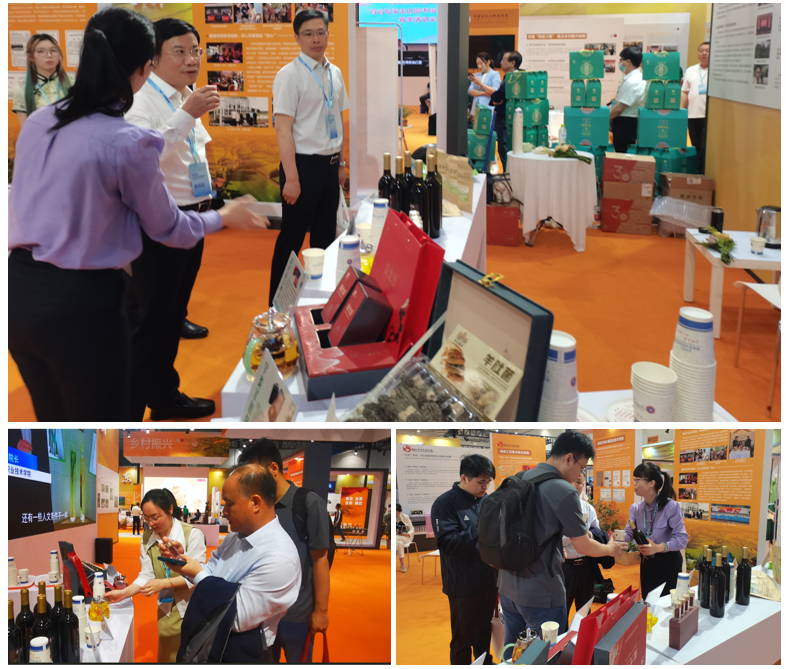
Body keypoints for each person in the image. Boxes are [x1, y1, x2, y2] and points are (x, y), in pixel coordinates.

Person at [8, 7, 266, 421]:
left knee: (57, 423)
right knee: (105, 421)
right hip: (82, 299)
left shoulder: (40, 122)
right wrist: (225, 216)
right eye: (178, 51)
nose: (190, 59)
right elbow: (168, 228)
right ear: (147, 66)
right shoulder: (128, 139)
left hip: (20, 291)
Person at [498, 432, 625, 660]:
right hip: (540, 593)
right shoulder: (563, 490)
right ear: (568, 458)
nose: (579, 475)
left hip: (507, 587)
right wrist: (610, 549)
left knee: (512, 657)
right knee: (547, 657)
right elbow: (583, 545)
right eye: (582, 467)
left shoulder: (520, 478)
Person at [161, 465, 301, 662]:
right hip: (210, 640)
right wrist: (185, 564)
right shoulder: (235, 536)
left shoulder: (280, 558)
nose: (224, 511)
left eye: (229, 503)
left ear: (255, 503)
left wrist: (198, 574)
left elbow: (236, 618)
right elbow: (212, 569)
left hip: (243, 653)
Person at [269, 8, 350, 306]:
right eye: (308, 34)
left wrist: (340, 163)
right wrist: (291, 178)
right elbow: (283, 129)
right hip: (301, 168)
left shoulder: (335, 72)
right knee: (291, 240)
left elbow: (339, 120)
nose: (316, 39)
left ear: (327, 34)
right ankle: (277, 308)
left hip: (329, 167)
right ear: (297, 38)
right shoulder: (289, 76)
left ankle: (322, 302)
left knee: (325, 237)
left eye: (320, 32)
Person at [238, 440, 331, 663]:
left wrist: (321, 611)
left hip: (296, 615)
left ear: (273, 468)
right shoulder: (258, 506)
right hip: (261, 613)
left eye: (253, 475)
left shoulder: (308, 504)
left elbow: (320, 560)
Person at [106, 489, 207, 662]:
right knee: (167, 654)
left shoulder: (192, 535)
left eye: (155, 517)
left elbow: (199, 575)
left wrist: (165, 583)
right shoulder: (147, 538)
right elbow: (146, 573)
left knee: (190, 654)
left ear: (170, 509)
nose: (151, 523)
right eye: (146, 518)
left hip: (190, 605)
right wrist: (124, 593)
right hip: (166, 606)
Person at [430, 454, 498, 665]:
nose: (485, 487)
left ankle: (485, 663)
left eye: (488, 482)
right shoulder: (445, 503)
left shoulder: (487, 500)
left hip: (489, 580)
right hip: (462, 585)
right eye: (481, 482)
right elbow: (447, 544)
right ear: (464, 478)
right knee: (463, 639)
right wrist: (480, 528)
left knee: (484, 633)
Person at [626, 462, 688, 601]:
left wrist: (658, 547)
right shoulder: (636, 508)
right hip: (647, 562)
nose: (634, 483)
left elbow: (682, 538)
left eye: (637, 479)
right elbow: (628, 533)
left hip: (668, 561)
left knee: (667, 602)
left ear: (651, 483)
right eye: (634, 479)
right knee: (649, 601)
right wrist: (617, 539)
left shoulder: (671, 507)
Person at [560, 470, 599, 625]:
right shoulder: (557, 509)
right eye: (570, 481)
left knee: (585, 611)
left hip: (586, 567)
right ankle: (562, 640)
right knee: (562, 610)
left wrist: (588, 535)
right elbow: (554, 540)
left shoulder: (588, 509)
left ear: (583, 485)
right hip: (564, 567)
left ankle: (583, 639)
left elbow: (597, 533)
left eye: (578, 482)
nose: (574, 486)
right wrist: (575, 535)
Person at [12, 34, 72, 128]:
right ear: (31, 57)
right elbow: (25, 129)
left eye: (53, 50)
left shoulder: (74, 84)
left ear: (59, 55)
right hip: (39, 136)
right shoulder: (22, 89)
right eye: (41, 51)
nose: (49, 55)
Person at [487, 50, 523, 171]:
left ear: (513, 63)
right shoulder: (521, 75)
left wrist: (494, 99)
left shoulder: (511, 77)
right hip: (514, 117)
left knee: (504, 146)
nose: (501, 62)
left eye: (504, 60)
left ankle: (507, 174)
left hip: (504, 118)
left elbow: (498, 95)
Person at [609, 46, 646, 153]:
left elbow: (619, 108)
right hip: (627, 122)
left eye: (621, 60)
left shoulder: (633, 81)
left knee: (623, 154)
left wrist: (604, 118)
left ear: (628, 61)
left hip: (626, 124)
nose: (620, 63)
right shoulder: (635, 78)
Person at [681, 42, 709, 174]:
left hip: (708, 116)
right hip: (692, 115)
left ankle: (704, 171)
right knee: (695, 145)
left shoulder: (717, 71)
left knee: (706, 147)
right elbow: (685, 91)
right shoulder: (690, 70)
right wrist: (682, 110)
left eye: (707, 51)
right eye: (701, 50)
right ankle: (696, 172)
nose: (704, 53)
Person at [468, 52, 501, 122]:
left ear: (488, 62)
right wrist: (484, 93)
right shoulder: (477, 75)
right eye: (477, 64)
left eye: (481, 63)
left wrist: (480, 84)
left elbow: (495, 91)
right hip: (476, 109)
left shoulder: (495, 74)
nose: (479, 66)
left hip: (488, 109)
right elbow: (470, 91)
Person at [395, 504, 415, 573]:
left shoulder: (405, 517)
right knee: (399, 543)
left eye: (398, 513)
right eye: (395, 514)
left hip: (406, 537)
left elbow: (412, 528)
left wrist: (405, 534)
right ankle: (402, 563)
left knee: (396, 538)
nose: (397, 515)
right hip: (397, 539)